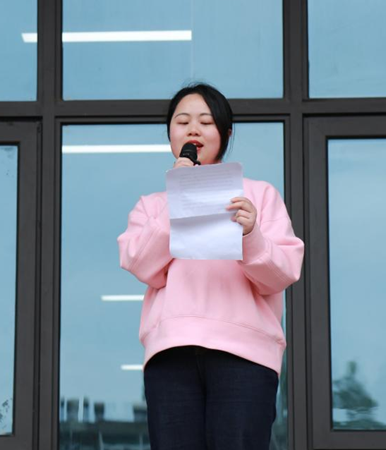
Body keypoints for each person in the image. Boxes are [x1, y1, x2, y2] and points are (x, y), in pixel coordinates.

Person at [117, 83, 304, 450]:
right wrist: (178, 197)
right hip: (171, 350)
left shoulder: (258, 195)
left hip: (245, 353)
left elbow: (282, 274)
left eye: (205, 122)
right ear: (169, 134)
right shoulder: (152, 205)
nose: (193, 130)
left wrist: (251, 234)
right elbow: (140, 264)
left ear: (226, 133)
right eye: (182, 122)